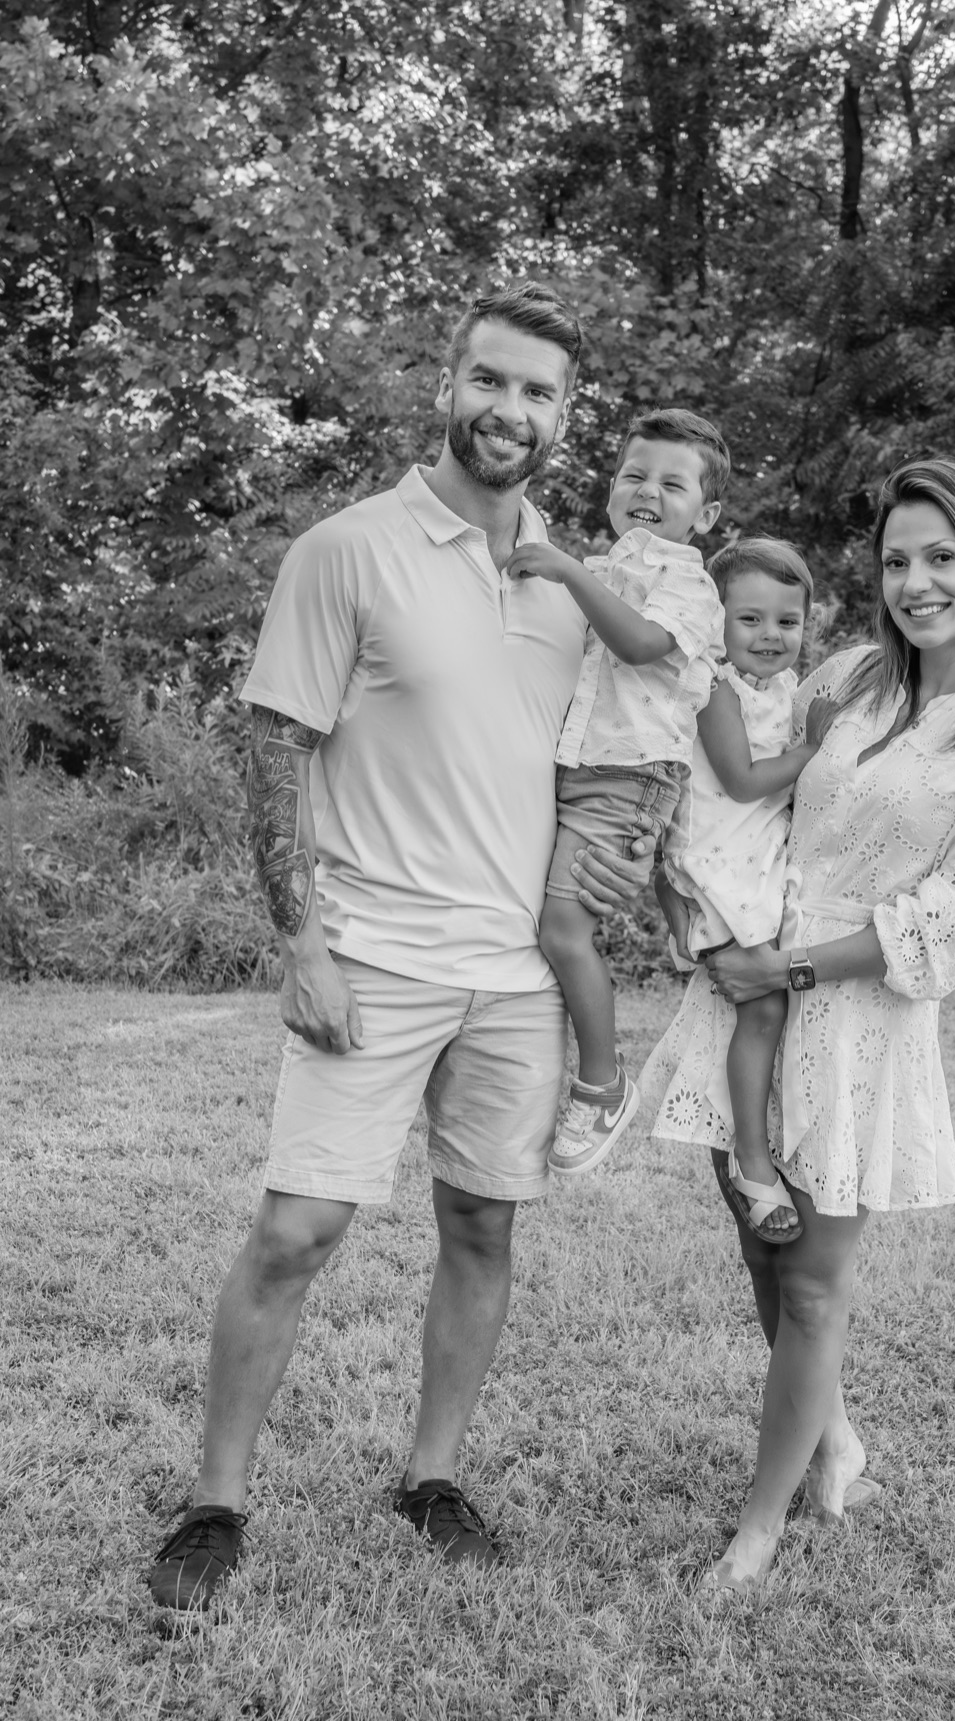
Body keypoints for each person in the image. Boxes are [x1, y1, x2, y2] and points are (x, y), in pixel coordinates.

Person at [147, 283, 654, 1610]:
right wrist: (299, 936)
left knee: (483, 1222)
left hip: (516, 975)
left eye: (540, 393)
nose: (512, 411)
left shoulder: (569, 579)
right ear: (449, 383)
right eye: (492, 381)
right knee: (299, 1230)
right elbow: (276, 743)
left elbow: (643, 731)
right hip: (370, 950)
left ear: (564, 417)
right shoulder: (350, 549)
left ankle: (431, 1473)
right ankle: (216, 1500)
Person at [640, 458, 955, 1591]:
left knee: (817, 1280)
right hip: (744, 990)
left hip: (856, 1010)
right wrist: (696, 922)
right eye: (897, 559)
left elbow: (949, 912)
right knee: (762, 1246)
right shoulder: (849, 679)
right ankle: (832, 1437)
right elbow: (728, 786)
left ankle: (761, 1523)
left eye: (942, 557)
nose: (918, 581)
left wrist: (786, 962)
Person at [507, 409, 727, 1175]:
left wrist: (566, 568)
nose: (648, 491)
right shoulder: (604, 571)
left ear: (708, 513)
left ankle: (601, 1082)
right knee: (537, 920)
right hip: (571, 771)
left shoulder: (689, 585)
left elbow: (639, 644)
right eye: (634, 475)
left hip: (631, 778)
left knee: (563, 929)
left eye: (674, 482)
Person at [655, 538, 829, 1241]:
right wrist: (814, 748)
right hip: (717, 855)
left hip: (752, 854)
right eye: (750, 619)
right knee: (763, 1007)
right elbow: (741, 780)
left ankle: (762, 1142)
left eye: (787, 622)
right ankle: (751, 1162)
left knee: (774, 1007)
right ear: (716, 621)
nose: (770, 636)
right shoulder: (716, 687)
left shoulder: (781, 688)